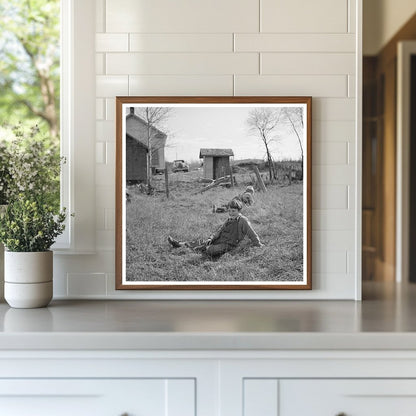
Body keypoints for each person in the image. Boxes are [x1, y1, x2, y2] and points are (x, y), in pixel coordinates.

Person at [168, 199, 263, 257]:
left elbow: (252, 233)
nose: (231, 213)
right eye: (229, 211)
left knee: (210, 250)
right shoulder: (229, 219)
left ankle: (202, 248)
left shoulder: (243, 220)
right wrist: (212, 238)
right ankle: (179, 244)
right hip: (220, 240)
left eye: (233, 211)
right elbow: (219, 230)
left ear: (239, 211)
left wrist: (258, 244)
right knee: (203, 241)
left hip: (229, 244)